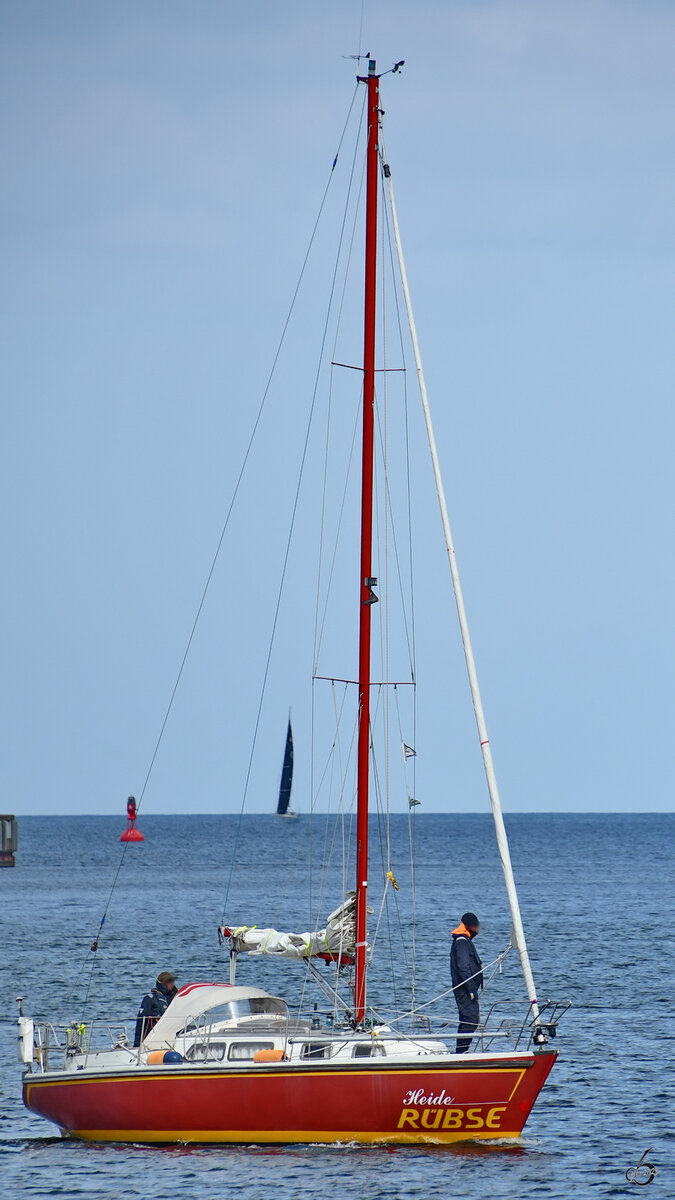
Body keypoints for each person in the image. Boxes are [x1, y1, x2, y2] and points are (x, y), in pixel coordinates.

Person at [450, 911, 483, 1053]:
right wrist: (471, 989)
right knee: (470, 1018)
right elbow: (463, 967)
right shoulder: (461, 942)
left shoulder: (464, 940)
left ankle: (462, 1050)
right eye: (476, 927)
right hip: (464, 989)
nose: (477, 930)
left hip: (467, 988)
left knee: (470, 1018)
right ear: (470, 926)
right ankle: (461, 1051)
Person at [133, 970, 178, 1046]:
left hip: (171, 1036)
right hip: (154, 1039)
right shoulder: (150, 999)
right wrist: (137, 1044)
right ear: (162, 984)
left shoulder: (174, 997)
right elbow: (141, 1023)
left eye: (172, 981)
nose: (171, 984)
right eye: (169, 982)